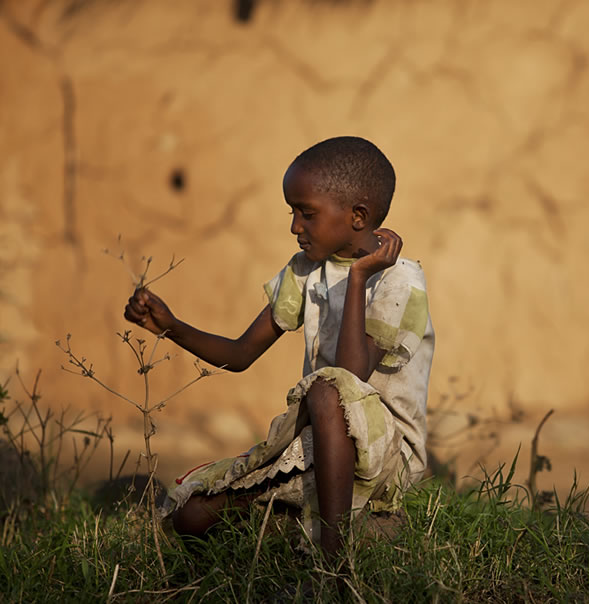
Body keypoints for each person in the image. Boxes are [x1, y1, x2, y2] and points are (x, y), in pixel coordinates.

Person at [123, 136, 434, 557]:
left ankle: (333, 560)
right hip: (317, 442)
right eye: (292, 212)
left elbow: (349, 377)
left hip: (386, 456)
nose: (294, 226)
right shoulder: (305, 272)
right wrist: (171, 326)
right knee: (191, 518)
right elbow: (239, 354)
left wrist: (359, 277)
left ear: (357, 216)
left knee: (326, 390)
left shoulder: (399, 282)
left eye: (307, 214)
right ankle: (297, 523)